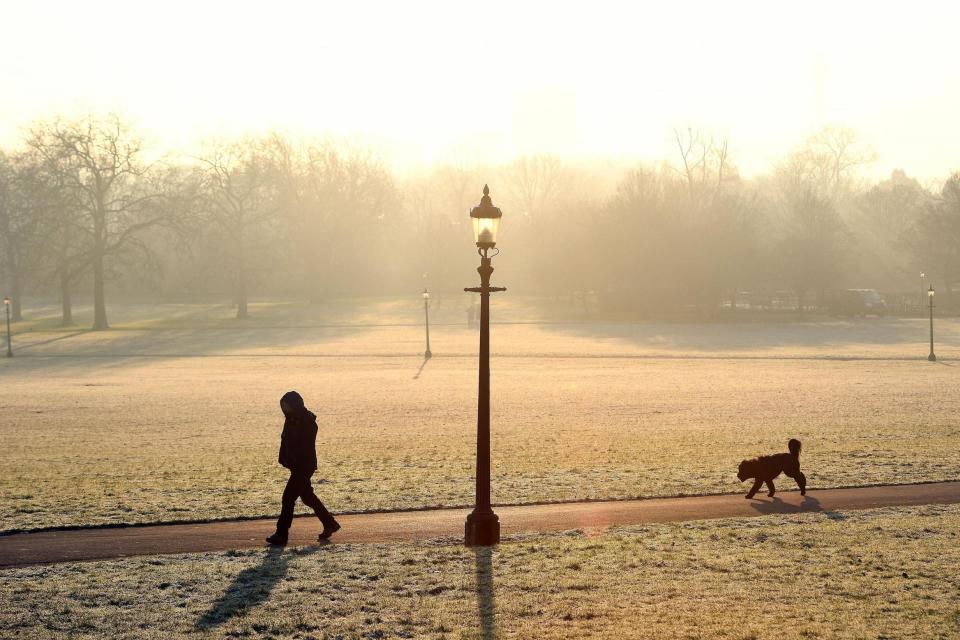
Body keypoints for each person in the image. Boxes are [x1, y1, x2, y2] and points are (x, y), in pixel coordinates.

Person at [266, 391, 341, 544]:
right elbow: (286, 441)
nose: (284, 409)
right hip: (297, 465)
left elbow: (304, 444)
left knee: (288, 498)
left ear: (294, 405)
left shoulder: (306, 421)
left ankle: (281, 534)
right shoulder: (292, 419)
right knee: (307, 497)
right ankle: (330, 524)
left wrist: (293, 457)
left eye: (286, 406)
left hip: (304, 465)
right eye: (283, 406)